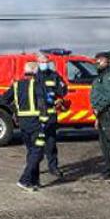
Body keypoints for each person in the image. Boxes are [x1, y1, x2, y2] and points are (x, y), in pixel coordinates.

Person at [9, 61, 52, 191]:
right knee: (38, 152)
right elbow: (43, 104)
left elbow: (5, 99)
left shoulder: (16, 85)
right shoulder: (38, 85)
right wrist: (44, 122)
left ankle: (34, 181)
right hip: (36, 124)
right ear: (35, 71)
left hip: (23, 124)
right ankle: (25, 179)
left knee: (31, 152)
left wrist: (16, 111)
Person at [34, 50, 68, 179]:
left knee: (51, 143)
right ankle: (34, 167)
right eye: (42, 62)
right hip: (37, 115)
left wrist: (59, 97)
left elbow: (63, 89)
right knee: (36, 144)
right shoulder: (34, 77)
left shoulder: (54, 76)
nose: (44, 64)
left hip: (51, 115)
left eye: (46, 62)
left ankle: (53, 167)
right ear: (38, 63)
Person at [89, 51, 110, 179]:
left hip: (108, 113)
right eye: (96, 60)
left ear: (107, 61)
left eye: (100, 60)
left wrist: (100, 107)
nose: (97, 62)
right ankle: (109, 169)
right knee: (104, 144)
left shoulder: (109, 76)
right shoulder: (100, 76)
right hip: (102, 114)